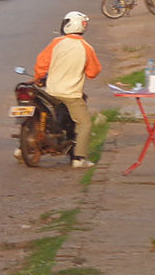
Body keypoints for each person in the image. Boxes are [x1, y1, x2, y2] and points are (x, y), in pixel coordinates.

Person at [31, 11, 102, 168]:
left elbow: (41, 63)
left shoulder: (56, 42)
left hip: (51, 91)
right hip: (72, 95)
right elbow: (93, 73)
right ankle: (78, 158)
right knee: (85, 124)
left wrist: (38, 77)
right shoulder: (86, 47)